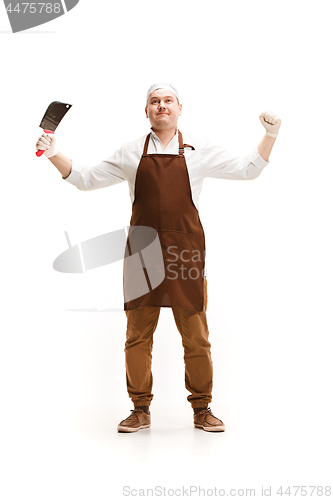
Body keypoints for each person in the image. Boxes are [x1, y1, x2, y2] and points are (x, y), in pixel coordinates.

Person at [36, 83, 281, 433]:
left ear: (180, 107)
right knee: (137, 337)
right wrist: (52, 153)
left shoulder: (199, 149)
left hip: (187, 254)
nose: (161, 106)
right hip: (142, 256)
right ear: (146, 110)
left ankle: (202, 408)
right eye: (154, 101)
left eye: (167, 100)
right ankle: (139, 409)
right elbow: (85, 179)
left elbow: (248, 169)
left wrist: (270, 136)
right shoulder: (131, 151)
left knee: (196, 337)